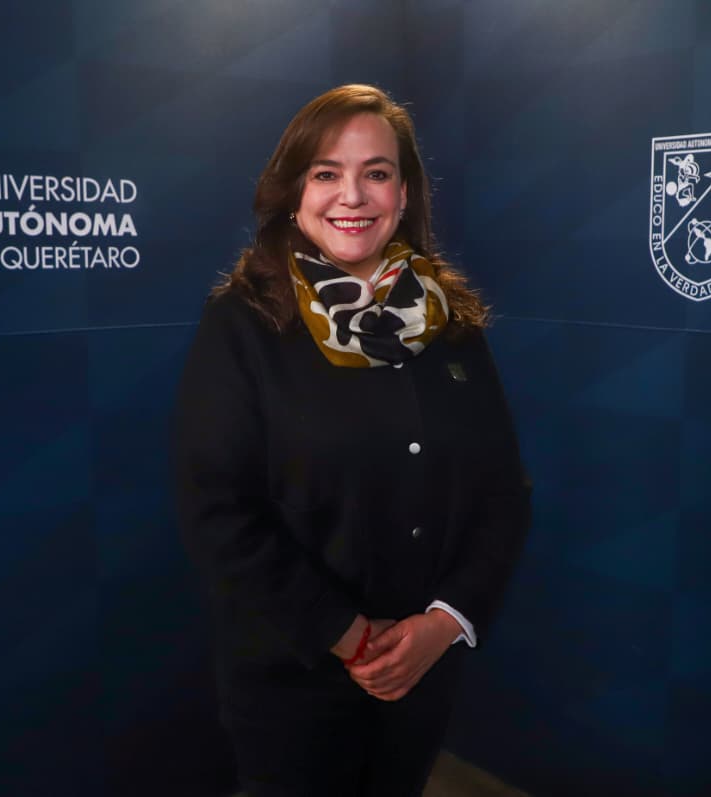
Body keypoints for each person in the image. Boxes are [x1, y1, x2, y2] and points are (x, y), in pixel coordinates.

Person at [175, 84, 530, 797]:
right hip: (293, 680)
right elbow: (216, 509)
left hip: (422, 677)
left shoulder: (451, 322)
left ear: (404, 193)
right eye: (326, 172)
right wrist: (349, 635)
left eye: (377, 172)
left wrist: (443, 623)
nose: (353, 195)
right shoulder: (243, 323)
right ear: (294, 192)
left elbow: (503, 492)